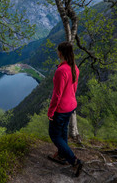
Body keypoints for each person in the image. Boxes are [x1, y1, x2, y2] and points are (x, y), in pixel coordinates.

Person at [47, 41, 83, 177]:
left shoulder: (61, 70)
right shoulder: (74, 67)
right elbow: (74, 88)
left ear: (60, 53)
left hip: (61, 109)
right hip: (71, 106)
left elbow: (57, 95)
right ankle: (62, 155)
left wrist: (51, 111)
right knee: (62, 131)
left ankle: (74, 161)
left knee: (55, 135)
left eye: (57, 51)